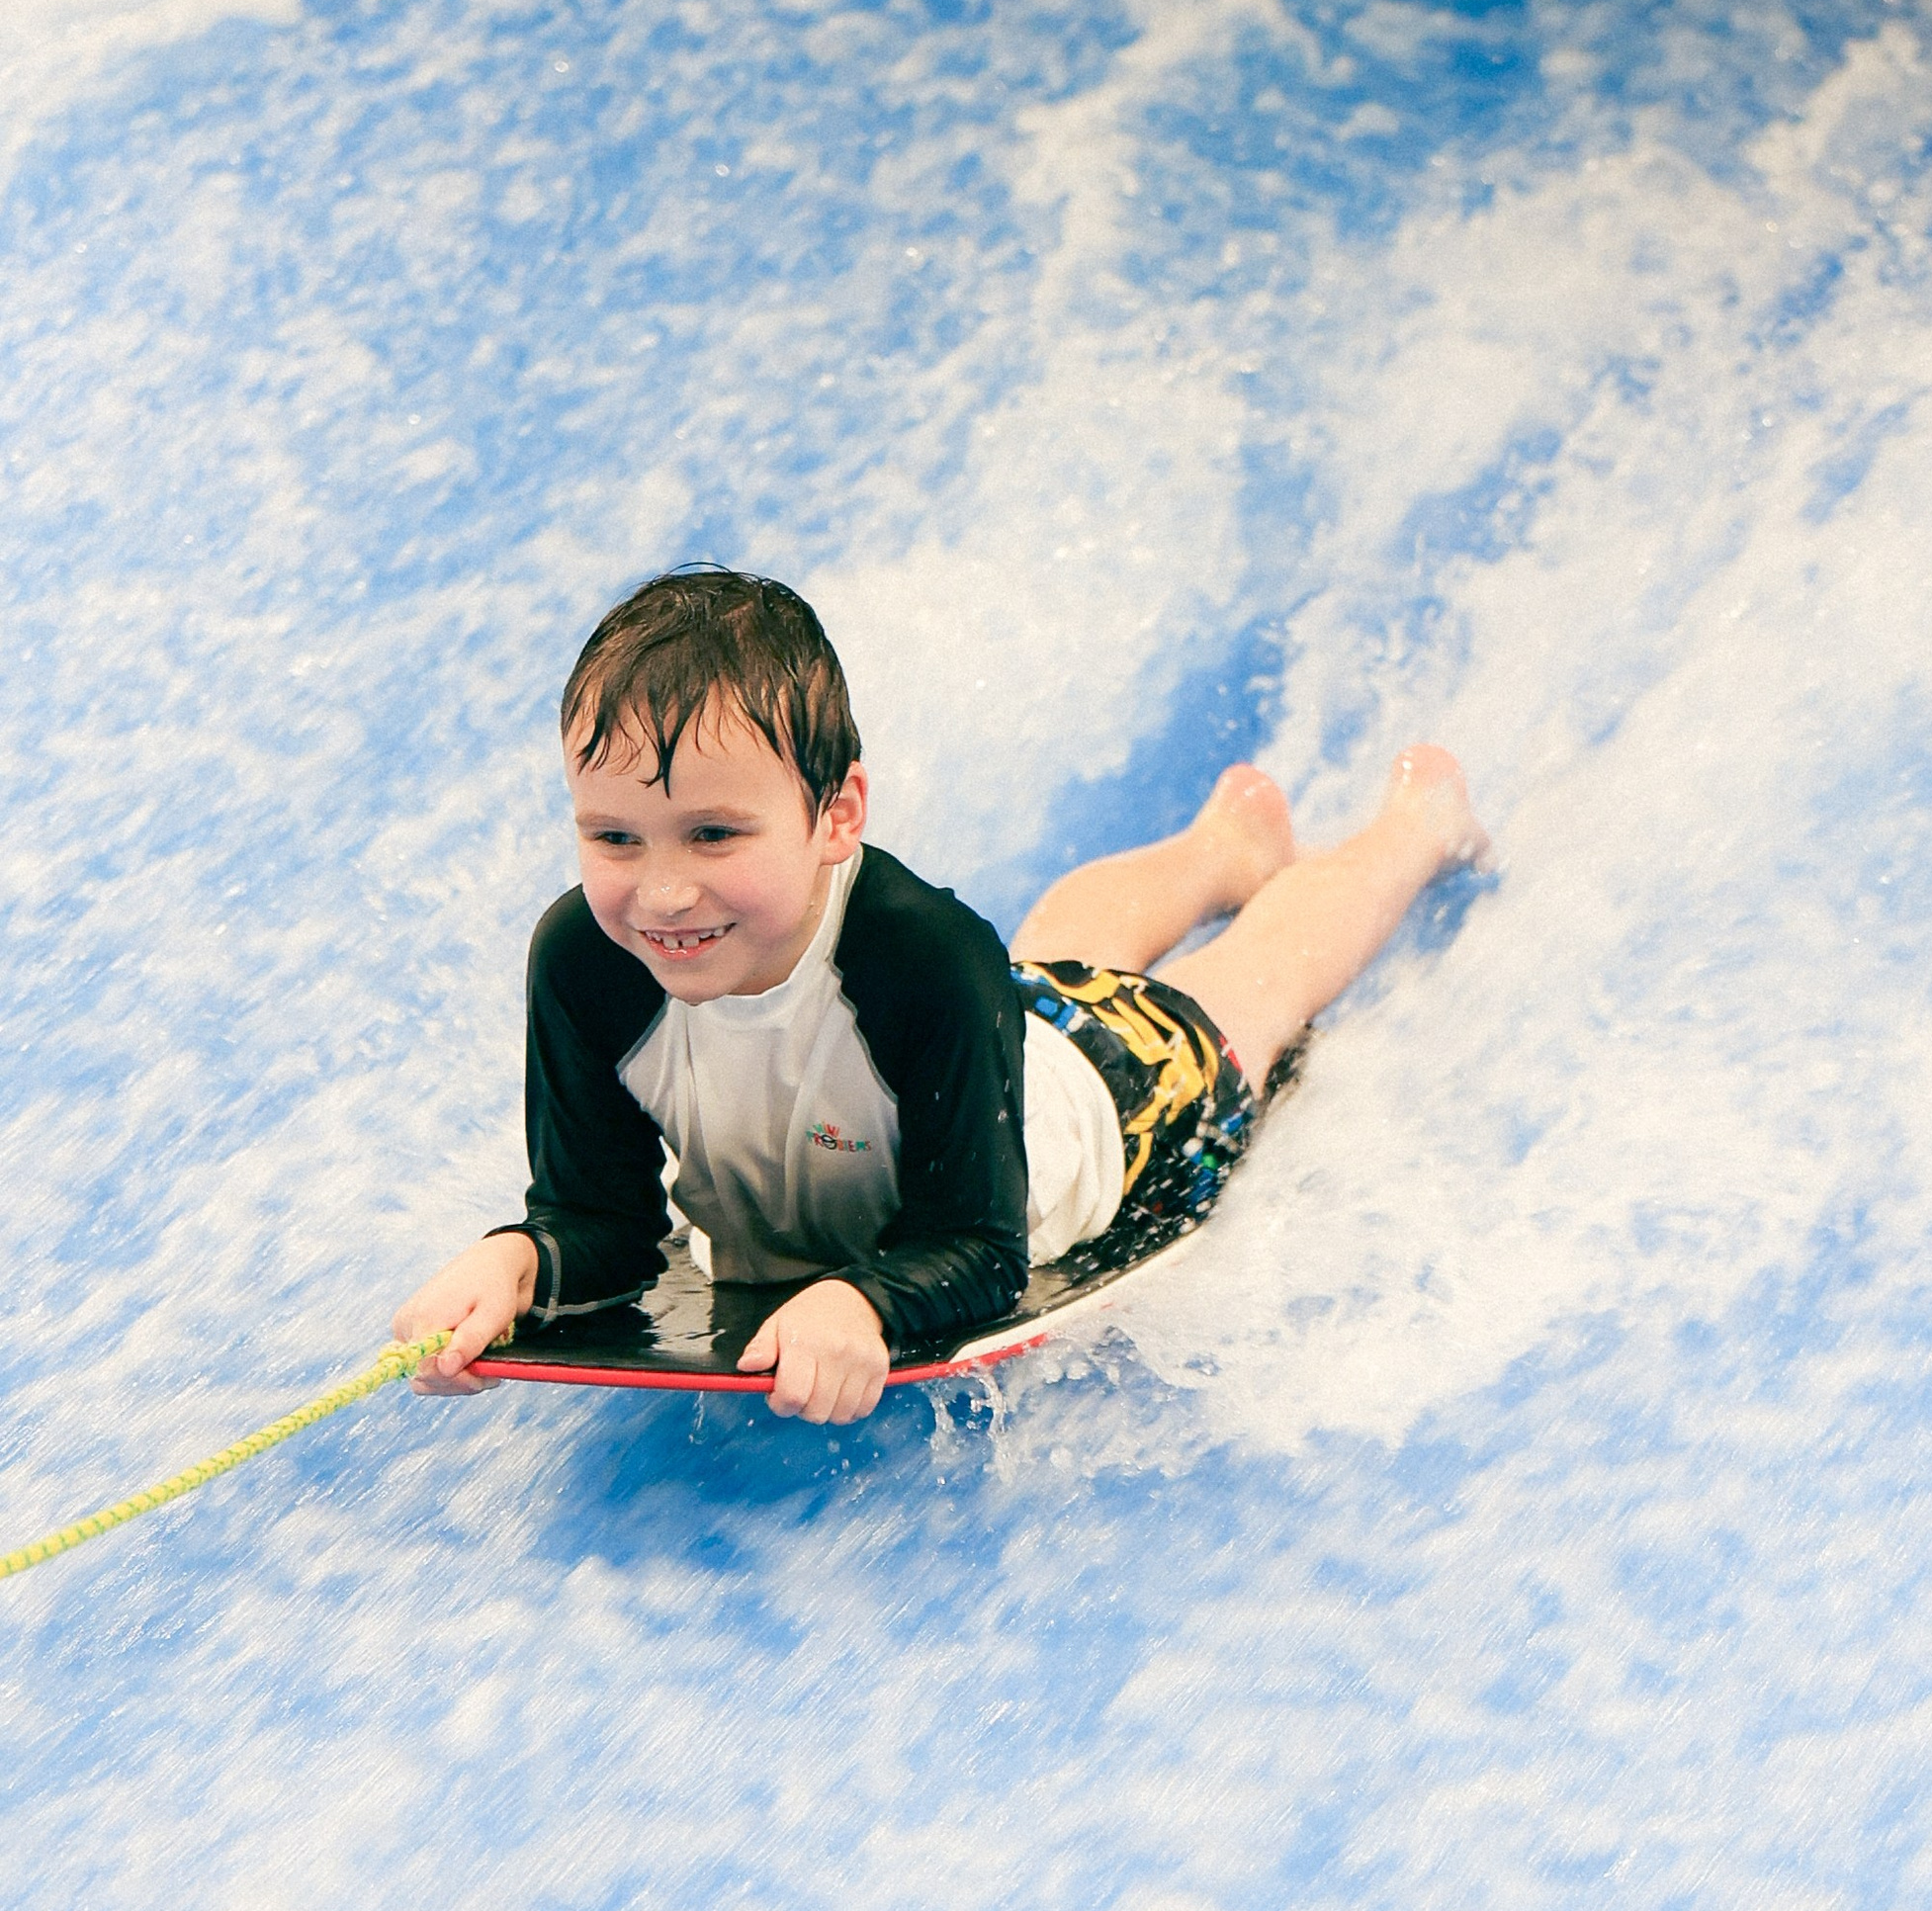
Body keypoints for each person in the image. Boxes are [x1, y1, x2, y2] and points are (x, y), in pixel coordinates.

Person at [395, 567, 1490, 1423]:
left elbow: (979, 1249)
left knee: (1245, 985)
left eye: (715, 834)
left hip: (1105, 1107)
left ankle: (1416, 827)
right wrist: (520, 1261)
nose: (662, 889)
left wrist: (865, 1300)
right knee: (1052, 967)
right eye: (614, 836)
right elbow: (605, 1223)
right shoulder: (585, 961)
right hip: (976, 1047)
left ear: (836, 815)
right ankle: (1222, 844)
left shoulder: (919, 957)